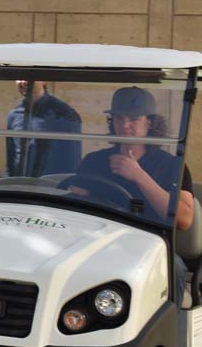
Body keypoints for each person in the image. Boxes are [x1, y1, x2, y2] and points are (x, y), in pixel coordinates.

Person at [70, 86, 196, 304]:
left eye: (134, 119)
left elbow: (184, 219)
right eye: (119, 118)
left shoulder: (172, 166)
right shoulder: (93, 161)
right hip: (98, 245)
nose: (125, 125)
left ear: (150, 123)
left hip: (152, 249)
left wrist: (139, 176)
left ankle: (171, 323)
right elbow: (75, 206)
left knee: (173, 266)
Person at [5, 80, 82, 177]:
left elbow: (72, 161)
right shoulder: (14, 115)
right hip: (19, 184)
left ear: (44, 81)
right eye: (19, 78)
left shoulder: (64, 114)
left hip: (49, 184)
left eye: (28, 77)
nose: (22, 82)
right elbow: (11, 160)